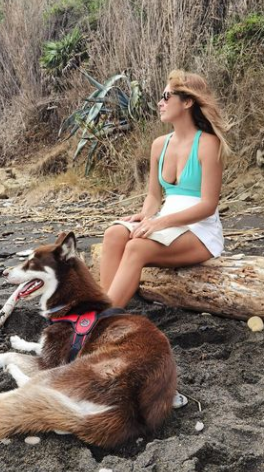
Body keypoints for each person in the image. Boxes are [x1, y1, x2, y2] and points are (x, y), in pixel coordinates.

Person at [99, 69, 230, 408]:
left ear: (187, 103)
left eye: (167, 96)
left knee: (137, 248)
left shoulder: (209, 143)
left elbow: (207, 204)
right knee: (114, 235)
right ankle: (100, 309)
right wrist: (145, 216)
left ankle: (98, 327)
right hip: (165, 220)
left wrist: (160, 224)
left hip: (199, 231)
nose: (160, 102)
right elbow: (154, 197)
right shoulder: (160, 144)